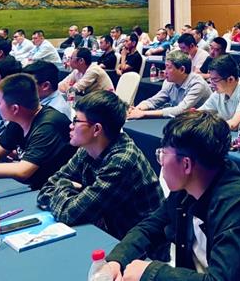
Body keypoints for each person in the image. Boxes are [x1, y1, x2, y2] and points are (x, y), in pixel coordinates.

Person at [100, 111, 240, 281]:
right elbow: (150, 227)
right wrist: (117, 260)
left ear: (186, 164)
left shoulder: (236, 203)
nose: (160, 162)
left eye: (163, 154)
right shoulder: (189, 188)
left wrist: (150, 273)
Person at [37, 91, 164, 242]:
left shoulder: (121, 161)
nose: (70, 126)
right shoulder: (87, 148)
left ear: (96, 129)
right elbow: (45, 190)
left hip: (137, 246)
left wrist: (65, 185)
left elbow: (69, 214)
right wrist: (70, 192)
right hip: (107, 232)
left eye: (76, 121)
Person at [129, 50, 211, 119]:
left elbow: (181, 110)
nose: (165, 71)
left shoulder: (197, 84)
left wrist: (144, 113)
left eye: (169, 67)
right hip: (183, 120)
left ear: (182, 70)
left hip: (202, 123)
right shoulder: (169, 82)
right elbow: (154, 101)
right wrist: (138, 109)